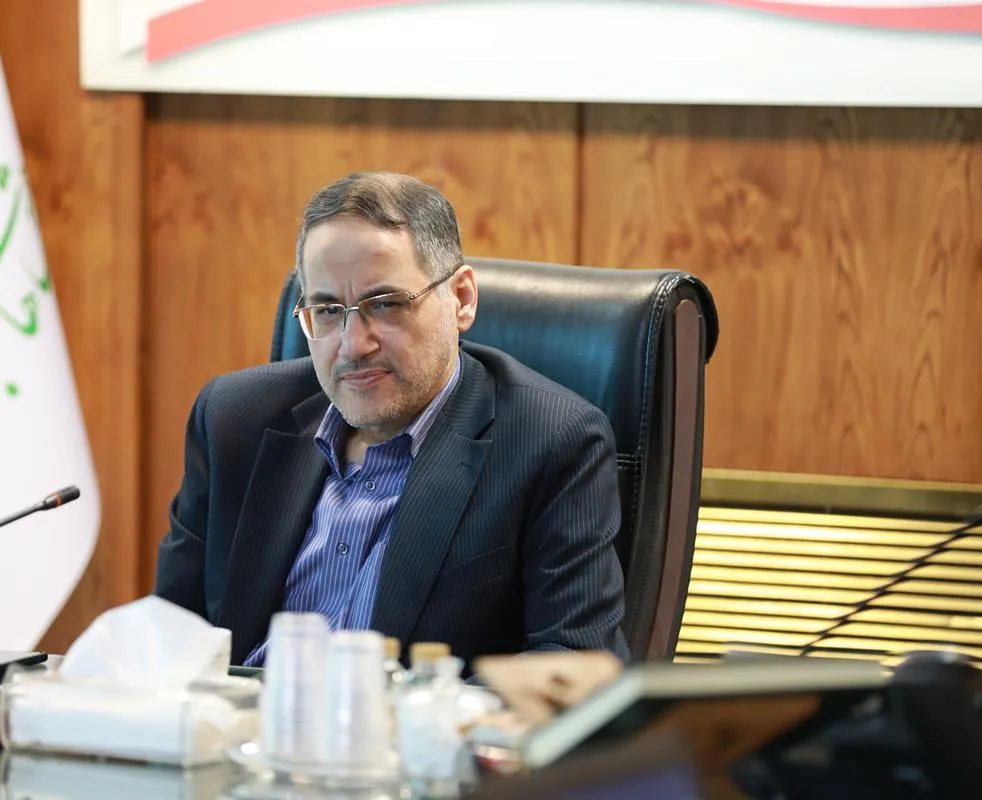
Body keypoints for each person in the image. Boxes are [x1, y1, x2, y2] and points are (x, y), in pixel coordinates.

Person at [154, 171, 630, 669]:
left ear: (462, 298)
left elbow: (573, 667)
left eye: (385, 305)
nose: (353, 345)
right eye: (328, 311)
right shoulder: (234, 418)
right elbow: (166, 640)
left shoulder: (550, 442)